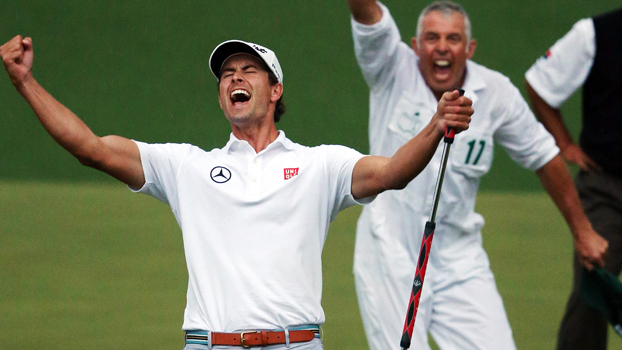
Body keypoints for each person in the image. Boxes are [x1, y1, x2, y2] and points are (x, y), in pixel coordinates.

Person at [0, 35, 472, 349]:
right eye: (227, 73)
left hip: (298, 343)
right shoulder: (187, 167)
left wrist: (436, 126)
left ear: (275, 89)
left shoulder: (320, 164)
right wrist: (25, 82)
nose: (235, 78)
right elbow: (91, 149)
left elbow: (392, 172)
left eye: (249, 70)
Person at [345, 1, 609, 349]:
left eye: (453, 38)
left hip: (460, 256)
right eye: (432, 37)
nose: (441, 47)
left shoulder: (496, 92)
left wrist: (583, 230)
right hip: (390, 249)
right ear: (415, 46)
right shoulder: (389, 66)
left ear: (468, 49)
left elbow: (544, 156)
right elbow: (367, 14)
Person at [525, 0, 622, 348]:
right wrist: (565, 144)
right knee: (593, 292)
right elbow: (539, 83)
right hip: (609, 189)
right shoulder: (595, 32)